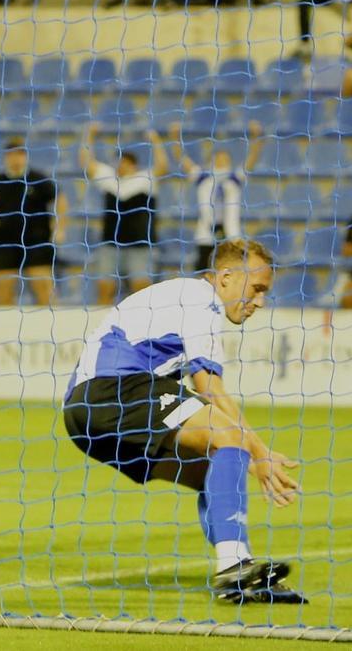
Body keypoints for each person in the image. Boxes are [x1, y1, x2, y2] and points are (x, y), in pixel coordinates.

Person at [63, 238, 305, 604]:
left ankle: (240, 570)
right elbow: (209, 389)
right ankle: (232, 568)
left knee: (216, 470)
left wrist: (247, 456)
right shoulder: (198, 300)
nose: (260, 302)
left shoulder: (185, 298)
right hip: (111, 389)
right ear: (225, 277)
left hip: (83, 422)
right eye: (256, 289)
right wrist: (260, 452)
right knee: (230, 441)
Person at [80, 122, 169, 305]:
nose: (122, 166)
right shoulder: (109, 178)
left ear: (134, 165)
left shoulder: (145, 180)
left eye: (127, 163)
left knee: (142, 290)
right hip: (110, 244)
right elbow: (87, 163)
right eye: (120, 162)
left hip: (140, 245)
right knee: (105, 289)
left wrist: (155, 140)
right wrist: (89, 135)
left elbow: (163, 167)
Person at [0, 138, 68, 306]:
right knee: (3, 290)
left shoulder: (38, 179)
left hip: (37, 240)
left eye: (19, 154)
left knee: (43, 288)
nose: (15, 158)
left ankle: (50, 328)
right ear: (6, 158)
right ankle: (5, 330)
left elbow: (60, 200)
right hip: (6, 240)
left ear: (25, 157)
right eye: (11, 155)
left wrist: (60, 227)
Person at [168, 121, 264, 273]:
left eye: (225, 158)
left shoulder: (234, 179)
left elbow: (252, 159)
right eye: (217, 158)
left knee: (231, 274)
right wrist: (174, 137)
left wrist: (257, 137)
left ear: (230, 162)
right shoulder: (203, 178)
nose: (221, 160)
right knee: (204, 275)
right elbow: (181, 159)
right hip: (206, 235)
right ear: (211, 161)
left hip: (231, 235)